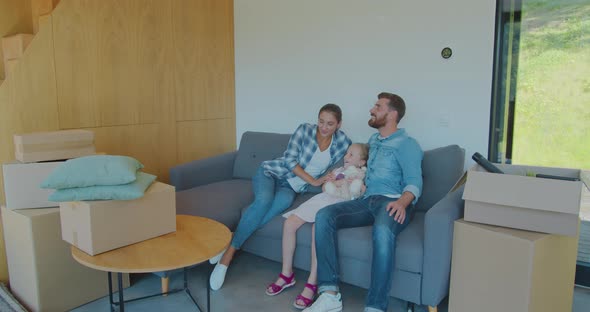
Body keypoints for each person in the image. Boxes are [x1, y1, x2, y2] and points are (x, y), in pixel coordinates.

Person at [209, 104, 352, 291]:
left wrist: (336, 179)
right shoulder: (304, 130)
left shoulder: (343, 143)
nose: (324, 127)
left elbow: (347, 166)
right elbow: (289, 161)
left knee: (282, 203)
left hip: (291, 186)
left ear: (339, 125)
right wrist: (314, 181)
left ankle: (232, 239)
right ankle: (227, 259)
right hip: (272, 173)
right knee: (263, 202)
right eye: (321, 122)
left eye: (330, 124)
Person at [303, 92, 423, 312]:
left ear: (392, 114)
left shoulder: (407, 144)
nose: (371, 109)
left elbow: (415, 182)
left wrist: (402, 203)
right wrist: (345, 179)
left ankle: (375, 306)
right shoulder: (374, 141)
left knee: (382, 231)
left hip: (393, 202)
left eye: (378, 106)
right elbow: (362, 170)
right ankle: (329, 294)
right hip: (367, 201)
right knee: (324, 216)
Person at [266, 143, 369, 310]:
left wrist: (356, 186)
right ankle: (286, 274)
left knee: (318, 230)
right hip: (322, 199)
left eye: (351, 155)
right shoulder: (338, 170)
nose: (346, 157)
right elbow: (324, 187)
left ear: (362, 162)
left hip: (338, 206)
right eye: (347, 153)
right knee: (289, 223)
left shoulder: (361, 175)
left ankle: (312, 283)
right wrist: (331, 181)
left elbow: (359, 193)